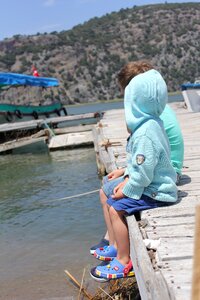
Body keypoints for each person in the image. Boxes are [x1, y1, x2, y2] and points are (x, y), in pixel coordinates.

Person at [90, 61, 178, 281]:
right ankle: (114, 244)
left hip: (158, 191)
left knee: (115, 207)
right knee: (106, 191)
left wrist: (128, 188)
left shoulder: (145, 133)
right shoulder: (151, 123)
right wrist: (125, 171)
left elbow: (144, 174)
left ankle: (122, 260)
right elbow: (143, 163)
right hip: (153, 182)